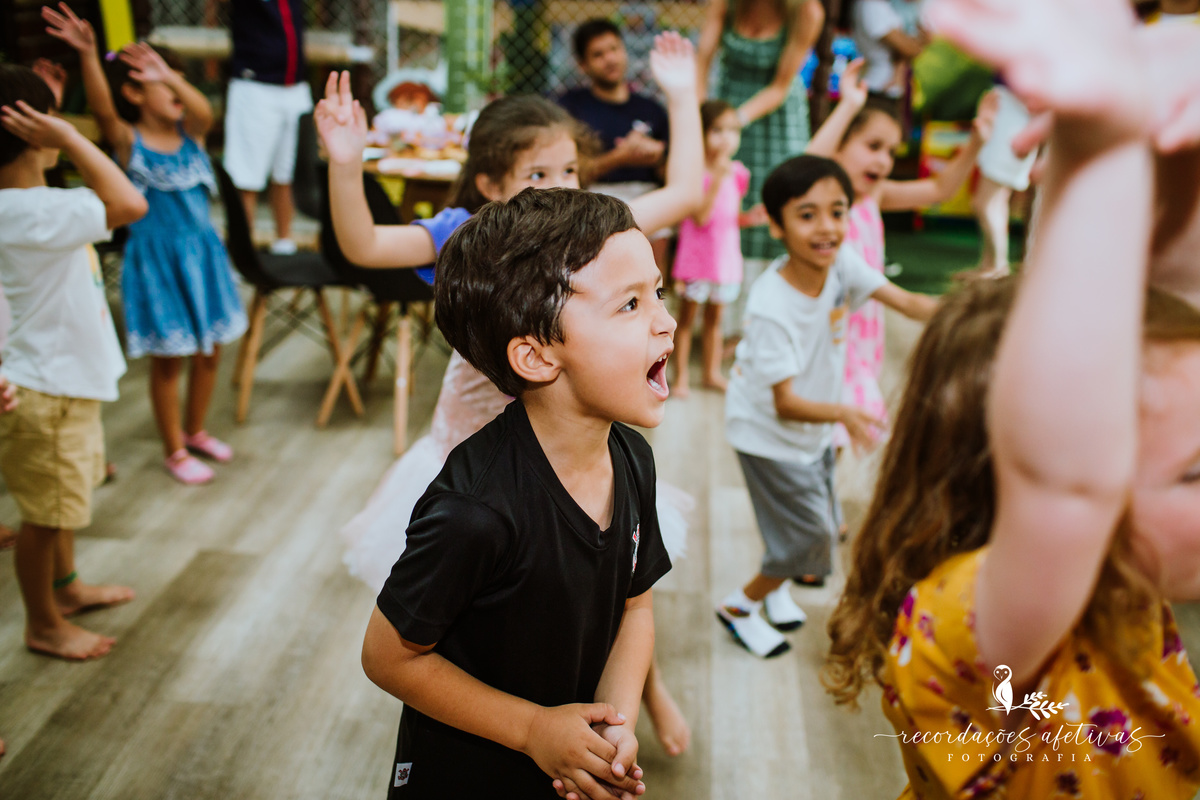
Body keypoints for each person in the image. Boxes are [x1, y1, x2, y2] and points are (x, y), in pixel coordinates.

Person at [825, 0, 1200, 794]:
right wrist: (1101, 145)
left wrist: (1127, 131)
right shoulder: (989, 645)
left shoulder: (1114, 581)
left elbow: (1153, 302)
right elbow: (1066, 481)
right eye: (1194, 474)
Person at [318, 32, 702, 757]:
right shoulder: (475, 245)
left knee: (606, 585)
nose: (558, 185)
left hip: (572, 437)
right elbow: (366, 246)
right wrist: (346, 165)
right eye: (537, 173)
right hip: (482, 447)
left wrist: (681, 97)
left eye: (569, 169)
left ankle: (639, 689)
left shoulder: (592, 247)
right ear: (491, 184)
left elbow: (684, 194)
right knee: (491, 604)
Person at [361, 188, 673, 799]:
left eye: (658, 292)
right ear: (535, 356)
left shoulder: (632, 458)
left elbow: (636, 606)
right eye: (631, 304)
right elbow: (389, 657)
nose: (666, 320)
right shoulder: (474, 511)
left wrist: (611, 729)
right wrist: (534, 729)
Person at [716, 154, 937, 659]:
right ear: (775, 225)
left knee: (803, 528)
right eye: (807, 214)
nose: (827, 228)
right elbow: (786, 403)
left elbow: (908, 302)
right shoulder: (771, 306)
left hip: (810, 431)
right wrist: (844, 413)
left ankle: (776, 589)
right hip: (768, 436)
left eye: (837, 212)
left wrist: (978, 311)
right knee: (809, 538)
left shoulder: (841, 264)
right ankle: (739, 606)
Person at [46, 4, 248, 485]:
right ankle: (174, 448)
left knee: (210, 352)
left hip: (204, 257)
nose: (175, 88)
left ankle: (196, 430)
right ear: (134, 92)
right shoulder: (128, 141)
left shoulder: (191, 133)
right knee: (168, 360)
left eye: (177, 78)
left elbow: (202, 109)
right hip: (157, 264)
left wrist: (170, 77)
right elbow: (100, 108)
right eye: (160, 80)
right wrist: (91, 55)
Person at [0, 64, 145, 660]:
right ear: (38, 133)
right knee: (46, 517)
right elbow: (128, 201)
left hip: (56, 382)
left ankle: (66, 588)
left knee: (60, 507)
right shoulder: (32, 213)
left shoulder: (31, 206)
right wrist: (73, 137)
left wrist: (49, 126)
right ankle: (43, 623)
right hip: (47, 389)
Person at [805, 57, 995, 451]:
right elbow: (808, 162)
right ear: (840, 146)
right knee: (831, 429)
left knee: (842, 436)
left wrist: (976, 141)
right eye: (872, 146)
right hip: (830, 331)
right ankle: (820, 506)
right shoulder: (825, 197)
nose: (883, 160)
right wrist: (850, 106)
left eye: (891, 151)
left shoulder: (875, 194)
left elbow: (940, 189)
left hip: (864, 330)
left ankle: (824, 505)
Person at [696, 0, 825, 291]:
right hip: (725, 109)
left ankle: (775, 297)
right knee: (722, 204)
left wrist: (730, 124)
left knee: (775, 203)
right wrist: (701, 115)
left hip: (774, 120)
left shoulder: (806, 11)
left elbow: (780, 86)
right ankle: (721, 303)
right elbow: (702, 60)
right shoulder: (727, 5)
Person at [558, 18, 673, 272]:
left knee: (660, 239)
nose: (610, 59)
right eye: (598, 54)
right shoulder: (571, 108)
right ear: (582, 65)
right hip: (595, 196)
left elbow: (670, 177)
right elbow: (570, 172)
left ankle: (659, 298)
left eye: (614, 49)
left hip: (648, 193)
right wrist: (620, 157)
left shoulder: (652, 109)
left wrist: (659, 158)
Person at [671, 99, 764, 397]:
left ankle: (712, 373)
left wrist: (750, 218)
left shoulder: (738, 173)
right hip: (695, 262)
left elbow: (729, 218)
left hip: (724, 262)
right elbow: (700, 217)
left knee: (715, 322)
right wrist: (716, 181)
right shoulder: (694, 172)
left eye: (733, 131)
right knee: (686, 322)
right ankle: (681, 378)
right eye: (717, 130)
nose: (726, 138)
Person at [218, 0, 311, 254]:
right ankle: (242, 254)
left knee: (287, 172)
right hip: (255, 85)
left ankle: (285, 243)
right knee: (247, 178)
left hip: (295, 86)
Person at [849, 0, 930, 107]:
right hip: (879, 89)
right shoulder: (871, 6)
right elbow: (909, 48)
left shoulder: (888, 5)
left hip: (890, 88)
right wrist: (918, 42)